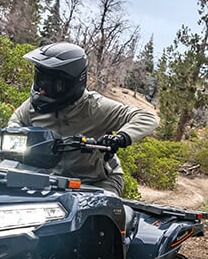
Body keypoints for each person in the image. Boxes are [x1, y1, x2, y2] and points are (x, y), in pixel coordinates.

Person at [8, 42, 158, 196]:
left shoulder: (96, 107)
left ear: (71, 83)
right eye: (40, 80)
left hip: (99, 181)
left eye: (52, 84)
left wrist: (121, 138)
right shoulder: (34, 106)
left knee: (97, 214)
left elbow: (147, 118)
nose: (42, 89)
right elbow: (14, 124)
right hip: (53, 178)